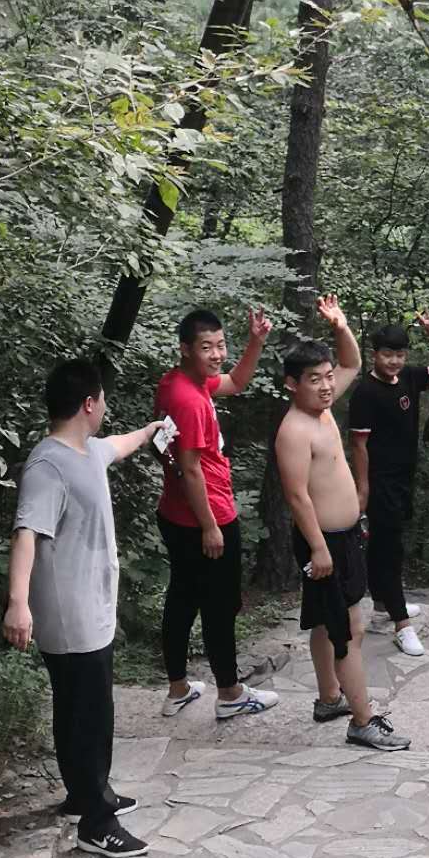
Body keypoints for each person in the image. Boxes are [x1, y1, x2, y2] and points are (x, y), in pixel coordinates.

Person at [3, 359, 165, 858]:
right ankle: (97, 823)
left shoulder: (88, 451)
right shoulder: (48, 466)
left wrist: (152, 431)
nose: (106, 408)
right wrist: (18, 604)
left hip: (92, 609)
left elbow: (120, 444)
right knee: (90, 716)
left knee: (79, 709)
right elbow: (26, 533)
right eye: (103, 399)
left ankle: (85, 796)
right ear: (89, 403)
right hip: (68, 614)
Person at [275, 295, 411, 750]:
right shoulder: (295, 430)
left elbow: (352, 362)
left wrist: (340, 325)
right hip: (325, 542)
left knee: (324, 622)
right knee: (348, 631)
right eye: (314, 379)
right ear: (292, 384)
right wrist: (317, 548)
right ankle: (362, 720)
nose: (326, 385)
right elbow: (297, 495)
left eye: (328, 377)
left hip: (345, 536)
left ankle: (329, 697)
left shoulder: (324, 408)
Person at [156, 306, 278, 721]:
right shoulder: (190, 400)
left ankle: (177, 689)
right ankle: (230, 693)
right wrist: (210, 527)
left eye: (221, 345)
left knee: (182, 598)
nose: (217, 354)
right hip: (206, 516)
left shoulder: (178, 381)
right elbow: (190, 468)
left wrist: (255, 342)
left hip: (174, 512)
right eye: (206, 347)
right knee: (220, 606)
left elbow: (236, 382)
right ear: (185, 348)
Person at [347, 312, 429, 656]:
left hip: (404, 478)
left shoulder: (408, 377)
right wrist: (363, 489)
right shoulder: (366, 392)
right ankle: (401, 625)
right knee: (389, 550)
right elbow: (359, 445)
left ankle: (384, 602)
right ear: (374, 354)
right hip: (380, 482)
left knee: (387, 546)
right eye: (388, 354)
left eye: (400, 354)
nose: (394, 361)